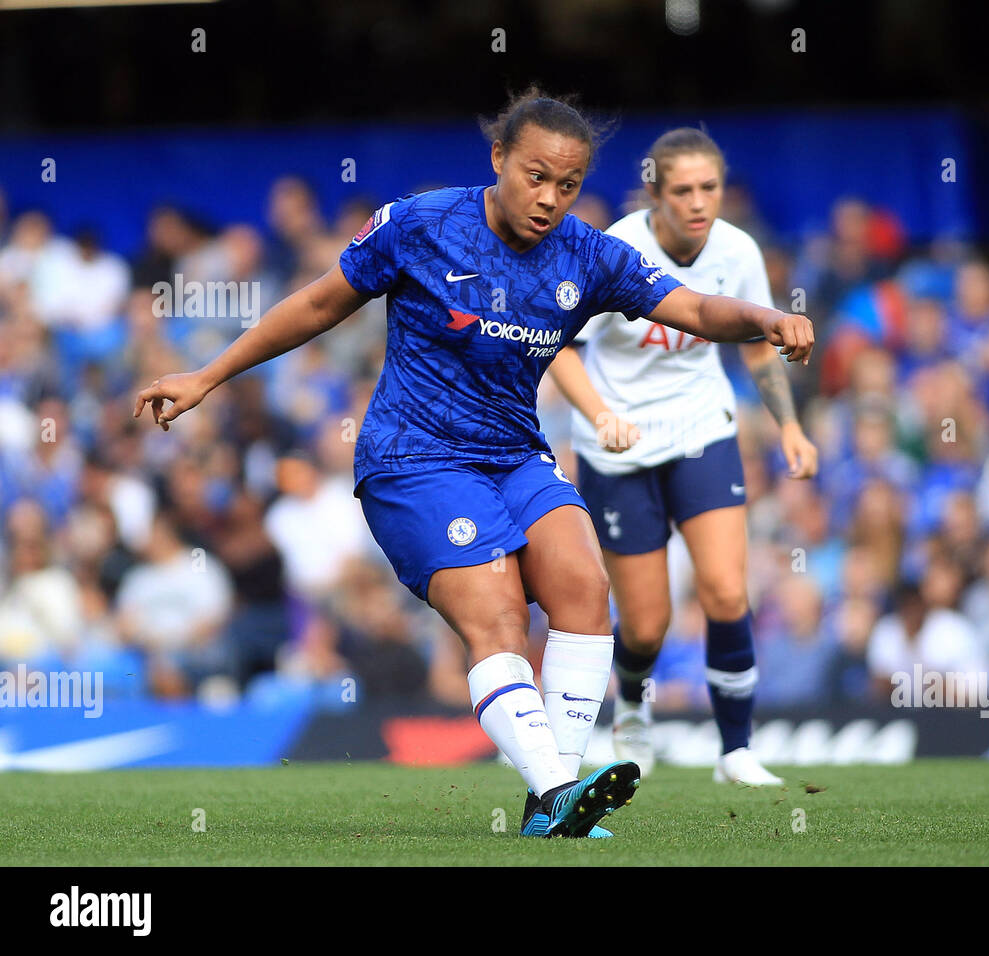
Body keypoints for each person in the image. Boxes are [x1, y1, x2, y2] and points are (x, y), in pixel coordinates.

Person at [133, 91, 815, 836]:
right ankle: (559, 792)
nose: (550, 199)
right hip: (413, 460)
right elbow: (320, 305)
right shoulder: (420, 224)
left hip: (515, 456)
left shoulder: (588, 254)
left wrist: (765, 318)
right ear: (498, 159)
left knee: (585, 589)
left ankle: (553, 792)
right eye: (536, 177)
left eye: (569, 184)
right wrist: (206, 376)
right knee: (497, 622)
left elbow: (697, 310)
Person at [545, 128, 818, 784]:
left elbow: (755, 345)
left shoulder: (737, 251)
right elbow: (560, 345)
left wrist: (789, 425)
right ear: (654, 193)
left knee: (726, 590)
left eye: (710, 188)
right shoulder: (614, 251)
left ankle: (736, 751)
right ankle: (633, 708)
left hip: (702, 433)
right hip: (619, 450)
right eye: (683, 190)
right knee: (645, 626)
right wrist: (601, 416)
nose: (699, 203)